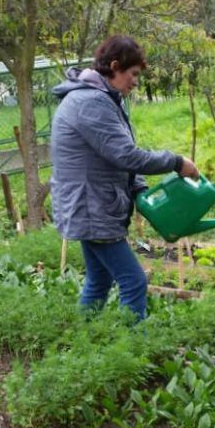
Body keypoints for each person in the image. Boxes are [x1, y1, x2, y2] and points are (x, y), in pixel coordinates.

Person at [49, 35, 199, 320]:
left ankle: (83, 338)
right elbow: (125, 155)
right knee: (133, 281)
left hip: (91, 204)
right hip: (91, 208)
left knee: (100, 280)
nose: (135, 82)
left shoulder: (103, 98)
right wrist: (176, 162)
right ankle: (133, 352)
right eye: (133, 74)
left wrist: (139, 189)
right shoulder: (90, 102)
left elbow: (112, 155)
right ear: (114, 66)